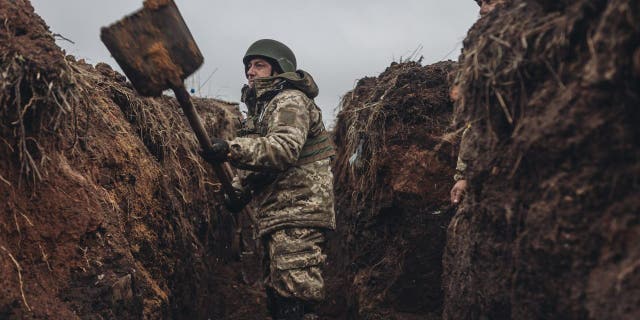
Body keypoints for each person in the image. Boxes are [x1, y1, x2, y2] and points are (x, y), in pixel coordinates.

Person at [200, 39, 336, 320]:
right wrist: (239, 190)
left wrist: (230, 149)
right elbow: (260, 167)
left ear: (278, 70)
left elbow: (283, 150)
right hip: (276, 216)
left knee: (295, 302)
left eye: (259, 65)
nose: (250, 71)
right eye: (248, 66)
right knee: (278, 300)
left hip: (299, 212)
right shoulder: (261, 112)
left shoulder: (290, 100)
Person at [451, 0, 509, 204]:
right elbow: (477, 123)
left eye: (490, 1)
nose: (482, 9)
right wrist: (464, 176)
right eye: (480, 3)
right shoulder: (483, 47)